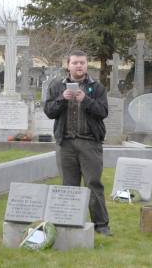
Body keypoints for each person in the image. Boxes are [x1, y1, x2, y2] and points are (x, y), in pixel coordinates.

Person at [44, 50, 112, 236]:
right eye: (75, 63)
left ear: (87, 64)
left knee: (93, 184)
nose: (79, 66)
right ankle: (69, 224)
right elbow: (49, 111)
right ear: (68, 65)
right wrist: (62, 99)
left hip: (90, 143)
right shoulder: (57, 86)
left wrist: (86, 100)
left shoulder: (96, 87)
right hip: (65, 144)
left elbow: (103, 112)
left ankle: (101, 225)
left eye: (82, 62)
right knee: (68, 185)